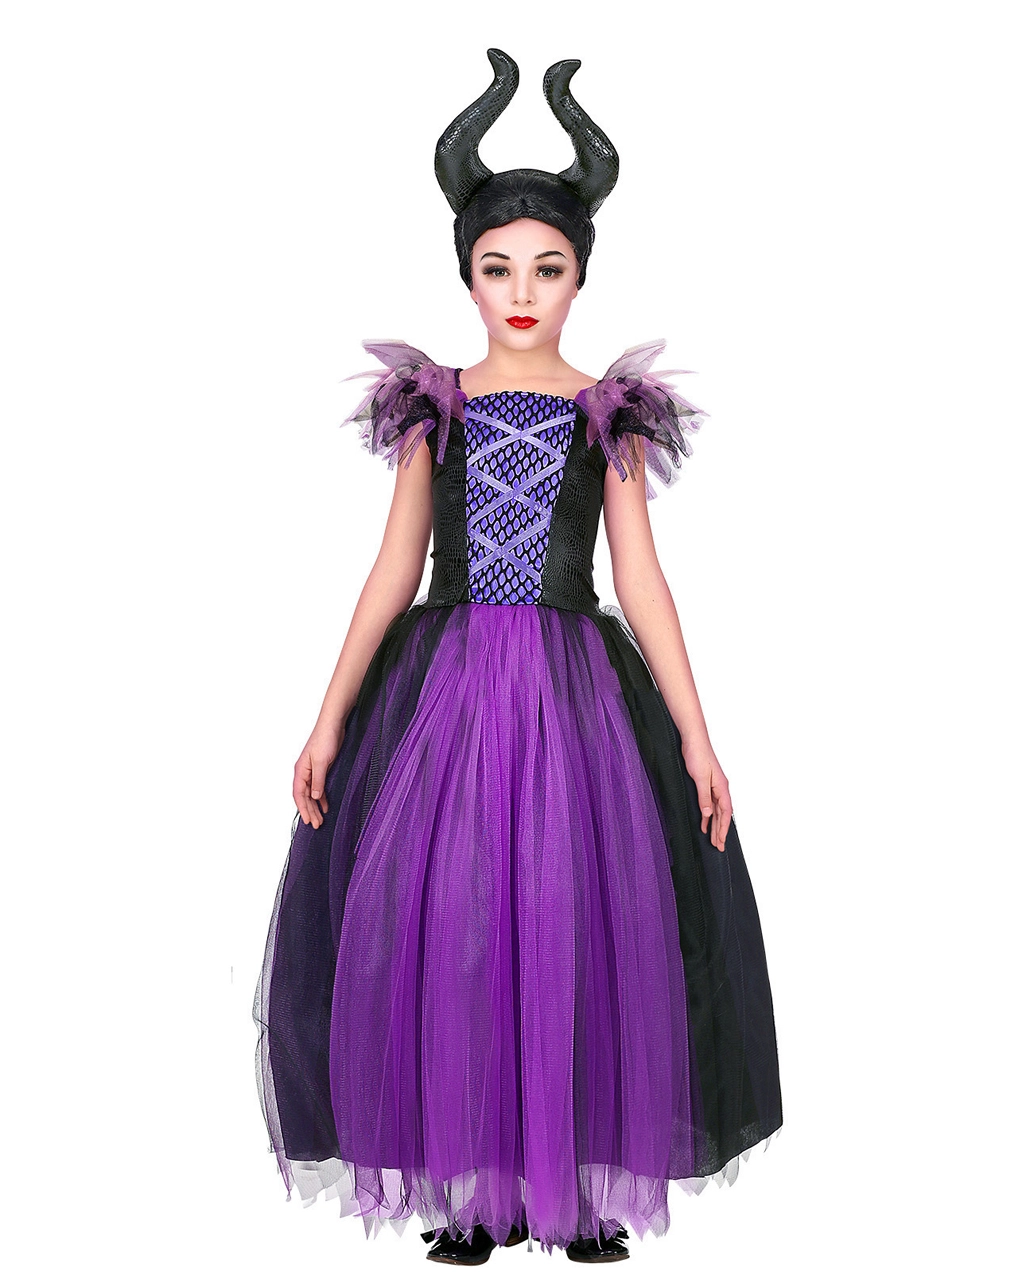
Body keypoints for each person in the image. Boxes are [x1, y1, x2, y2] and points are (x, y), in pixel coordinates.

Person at [253, 48, 783, 1265]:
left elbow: (638, 578)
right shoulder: (432, 403)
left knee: (575, 919)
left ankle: (574, 1190)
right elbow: (394, 567)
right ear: (467, 275)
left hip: (576, 701)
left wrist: (698, 735)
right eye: (497, 267)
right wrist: (327, 718)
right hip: (443, 699)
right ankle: (478, 1186)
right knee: (455, 924)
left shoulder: (610, 411)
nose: (522, 290)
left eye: (547, 266)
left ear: (581, 273)